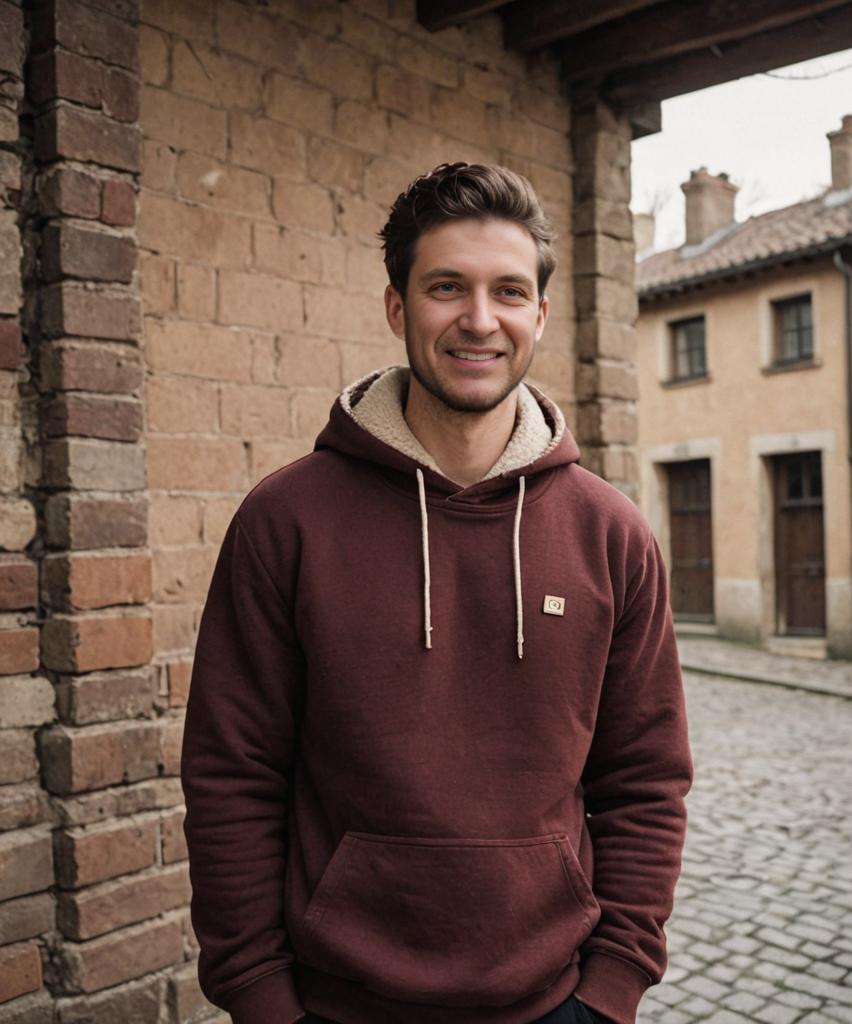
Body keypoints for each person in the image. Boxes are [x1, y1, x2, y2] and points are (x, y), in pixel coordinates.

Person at [181, 162, 694, 1024]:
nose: (479, 320)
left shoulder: (612, 536)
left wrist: (611, 992)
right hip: (332, 1003)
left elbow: (645, 779)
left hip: (554, 1002)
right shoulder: (286, 519)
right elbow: (232, 774)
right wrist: (261, 999)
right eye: (446, 287)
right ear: (397, 307)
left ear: (539, 312)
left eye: (508, 291)